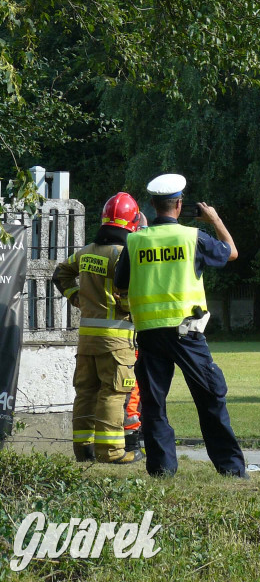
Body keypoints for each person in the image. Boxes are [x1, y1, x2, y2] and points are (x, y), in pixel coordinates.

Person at [113, 174, 247, 478]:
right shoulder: (192, 237)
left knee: (153, 404)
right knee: (210, 398)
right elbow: (232, 252)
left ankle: (162, 471)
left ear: (152, 204)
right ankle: (231, 470)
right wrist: (214, 219)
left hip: (149, 334)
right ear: (179, 204)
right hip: (187, 334)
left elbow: (120, 286)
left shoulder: (135, 240)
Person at [52, 192, 146, 464]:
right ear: (131, 224)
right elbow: (128, 296)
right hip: (116, 341)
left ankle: (83, 450)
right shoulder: (123, 255)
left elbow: (61, 273)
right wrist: (129, 306)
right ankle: (112, 453)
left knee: (85, 393)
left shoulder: (87, 251)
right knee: (113, 393)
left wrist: (76, 298)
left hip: (87, 340)